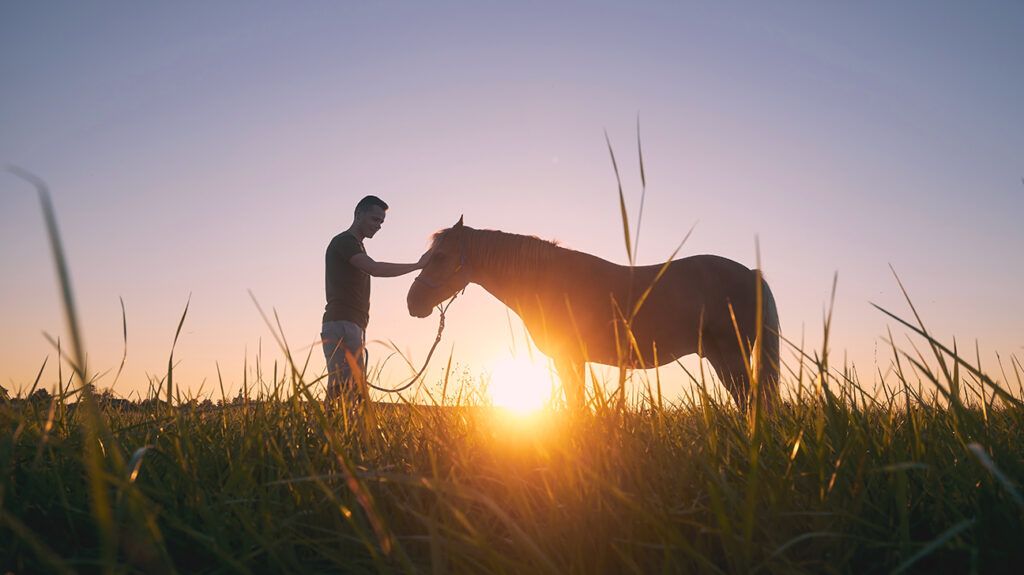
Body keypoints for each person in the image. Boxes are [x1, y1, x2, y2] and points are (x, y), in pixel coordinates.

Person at [321, 195, 431, 408]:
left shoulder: (357, 246)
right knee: (346, 391)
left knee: (344, 390)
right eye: (374, 219)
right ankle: (331, 437)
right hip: (342, 323)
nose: (378, 226)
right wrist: (417, 265)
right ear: (358, 214)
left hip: (351, 324)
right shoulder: (344, 242)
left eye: (381, 222)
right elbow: (375, 268)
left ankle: (330, 437)